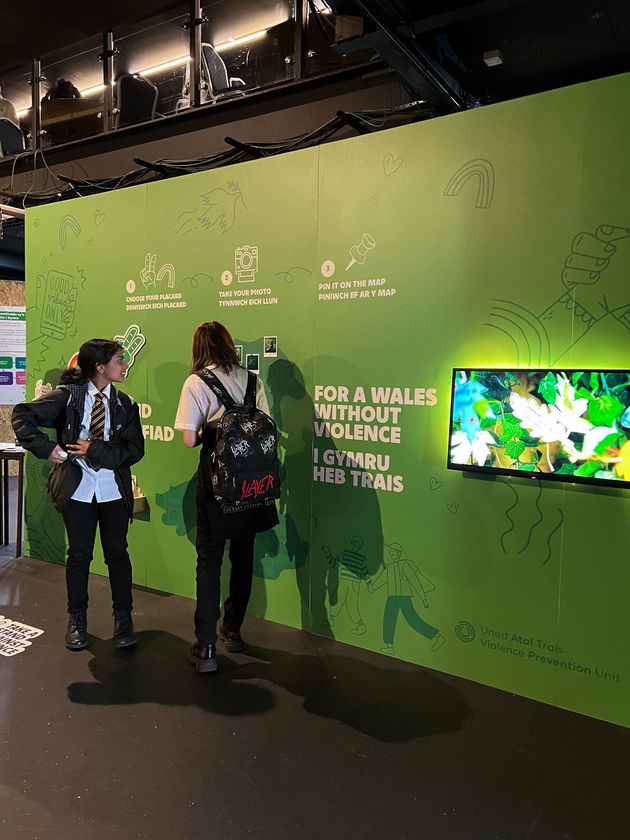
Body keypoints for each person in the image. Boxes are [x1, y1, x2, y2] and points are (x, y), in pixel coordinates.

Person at [12, 339, 144, 651]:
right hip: (78, 489)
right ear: (100, 367)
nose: (125, 365)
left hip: (113, 490)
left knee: (117, 554)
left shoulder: (125, 404)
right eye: (119, 360)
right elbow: (21, 414)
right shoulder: (68, 396)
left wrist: (94, 449)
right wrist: (48, 449)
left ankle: (123, 618)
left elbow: (134, 450)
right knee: (79, 556)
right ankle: (77, 618)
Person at [175, 321, 278, 673]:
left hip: (217, 483)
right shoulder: (252, 380)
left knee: (209, 560)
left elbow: (189, 440)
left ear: (198, 348)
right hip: (253, 482)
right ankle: (232, 631)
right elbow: (266, 425)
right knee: (243, 556)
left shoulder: (196, 382)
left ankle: (205, 646)